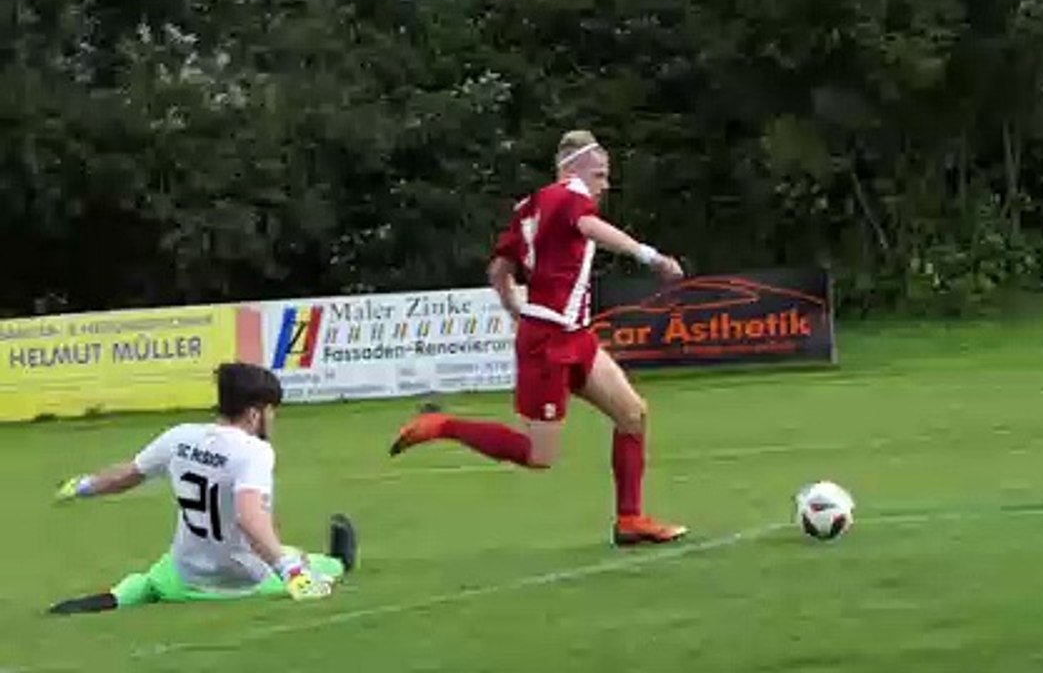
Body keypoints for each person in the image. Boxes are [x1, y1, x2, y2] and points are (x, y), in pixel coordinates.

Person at [390, 129, 688, 546]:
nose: (605, 184)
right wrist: (650, 256)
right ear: (574, 167)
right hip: (548, 341)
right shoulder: (568, 195)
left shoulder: (530, 207)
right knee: (538, 455)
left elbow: (498, 269)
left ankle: (630, 520)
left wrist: (515, 307)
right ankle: (442, 425)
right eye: (600, 173)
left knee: (633, 415)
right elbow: (590, 227)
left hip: (572, 334)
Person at [48, 362, 357, 614]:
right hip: (241, 580)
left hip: (185, 573)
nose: (273, 419)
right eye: (271, 411)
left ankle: (117, 597)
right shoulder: (254, 451)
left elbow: (126, 475)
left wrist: (83, 485)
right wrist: (291, 570)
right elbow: (249, 518)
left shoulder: (180, 436)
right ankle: (340, 560)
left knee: (153, 581)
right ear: (254, 413)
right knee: (310, 562)